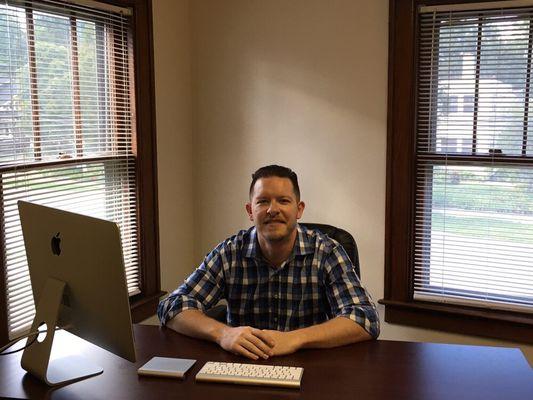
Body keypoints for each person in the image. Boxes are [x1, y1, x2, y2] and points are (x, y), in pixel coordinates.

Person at [158, 165, 379, 360]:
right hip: (242, 367)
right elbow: (172, 305)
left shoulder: (327, 252)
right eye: (263, 201)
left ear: (299, 209)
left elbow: (365, 317)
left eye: (283, 200)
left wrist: (294, 339)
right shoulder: (230, 252)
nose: (273, 210)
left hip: (311, 368)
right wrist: (223, 334)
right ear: (250, 211)